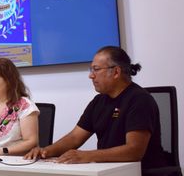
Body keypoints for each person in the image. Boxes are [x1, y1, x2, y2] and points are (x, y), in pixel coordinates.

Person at [24, 46, 167, 170]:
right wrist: (45, 151)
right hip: (108, 170)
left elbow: (134, 151)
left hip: (139, 171)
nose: (91, 76)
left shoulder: (140, 100)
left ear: (116, 72)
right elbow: (75, 138)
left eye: (96, 70)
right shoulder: (99, 101)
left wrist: (86, 155)